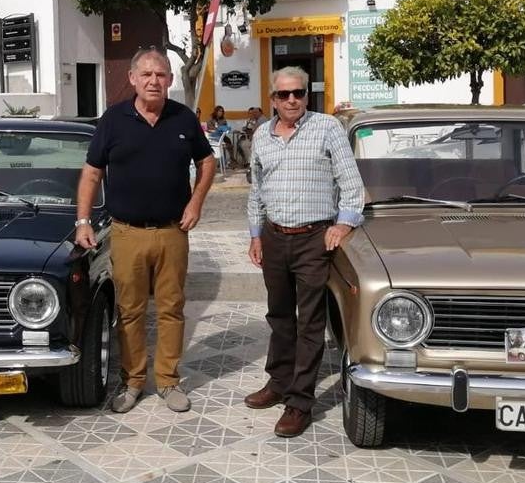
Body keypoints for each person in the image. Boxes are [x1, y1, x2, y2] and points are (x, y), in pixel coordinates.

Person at [75, 47, 216, 414]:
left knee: (172, 308)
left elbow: (207, 161)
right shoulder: (113, 120)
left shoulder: (183, 119)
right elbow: (92, 173)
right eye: (147, 75)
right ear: (133, 79)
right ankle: (133, 381)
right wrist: (82, 221)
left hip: (172, 232)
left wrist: (195, 203)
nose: (155, 81)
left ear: (170, 80)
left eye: (162, 74)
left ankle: (168, 380)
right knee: (130, 309)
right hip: (127, 233)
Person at [244, 66, 364, 438]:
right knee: (279, 315)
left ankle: (299, 402)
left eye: (298, 93)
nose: (291, 99)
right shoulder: (262, 135)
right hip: (275, 237)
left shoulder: (327, 128)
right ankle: (278, 381)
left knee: (310, 320)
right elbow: (256, 189)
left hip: (314, 237)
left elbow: (351, 184)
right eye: (283, 95)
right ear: (272, 99)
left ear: (306, 95)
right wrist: (255, 234)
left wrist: (342, 225)